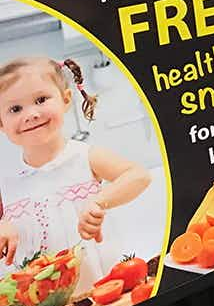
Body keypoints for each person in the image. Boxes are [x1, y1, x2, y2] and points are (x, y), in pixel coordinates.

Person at [0, 58, 151, 287]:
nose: (30, 114)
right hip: (42, 299)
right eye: (15, 109)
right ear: (1, 123)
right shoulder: (7, 181)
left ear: (65, 100)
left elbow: (139, 175)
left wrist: (99, 202)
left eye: (41, 100)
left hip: (101, 286)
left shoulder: (83, 157)